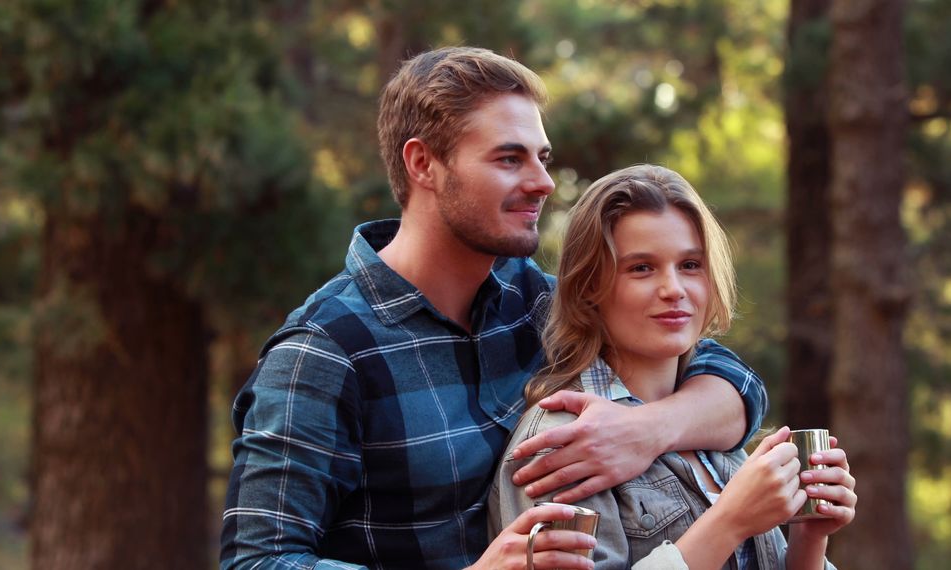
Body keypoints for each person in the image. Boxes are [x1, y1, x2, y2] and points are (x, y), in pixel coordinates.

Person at [221, 47, 768, 569]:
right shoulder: (325, 353)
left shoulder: (536, 302)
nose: (544, 183)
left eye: (542, 158)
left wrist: (650, 429)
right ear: (423, 164)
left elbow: (729, 378)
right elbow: (257, 559)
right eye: (510, 159)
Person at [489, 164, 857, 569]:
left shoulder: (712, 426)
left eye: (690, 265)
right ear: (590, 287)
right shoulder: (564, 441)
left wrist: (809, 539)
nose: (674, 290)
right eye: (641, 268)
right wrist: (730, 521)